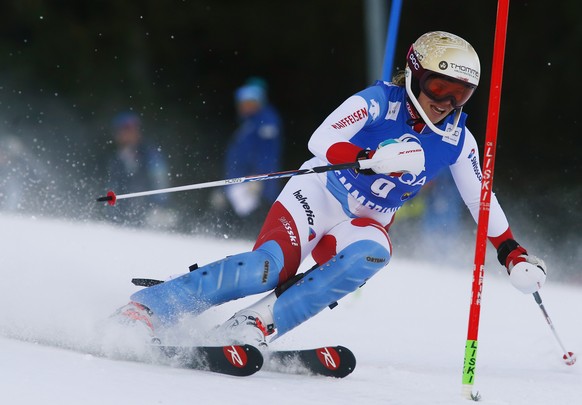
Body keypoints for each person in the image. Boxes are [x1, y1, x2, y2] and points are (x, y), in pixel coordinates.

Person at [114, 32, 547, 348]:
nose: (447, 103)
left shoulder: (457, 139)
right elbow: (320, 140)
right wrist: (371, 154)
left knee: (375, 250)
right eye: (439, 88)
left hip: (362, 222)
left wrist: (510, 250)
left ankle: (257, 323)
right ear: (415, 76)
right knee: (268, 270)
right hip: (317, 195)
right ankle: (150, 307)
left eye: (461, 95)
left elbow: (480, 197)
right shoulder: (379, 101)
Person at [211, 78, 284, 237]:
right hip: (240, 183)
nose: (242, 106)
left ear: (257, 102)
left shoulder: (267, 121)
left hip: (255, 184)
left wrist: (260, 178)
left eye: (247, 102)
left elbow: (267, 154)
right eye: (241, 102)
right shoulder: (248, 123)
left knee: (253, 225)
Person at [105, 112, 175, 228]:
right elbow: (113, 186)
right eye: (125, 129)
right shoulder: (117, 158)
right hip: (122, 219)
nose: (129, 132)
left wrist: (159, 206)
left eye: (133, 128)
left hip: (148, 216)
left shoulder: (149, 153)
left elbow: (160, 180)